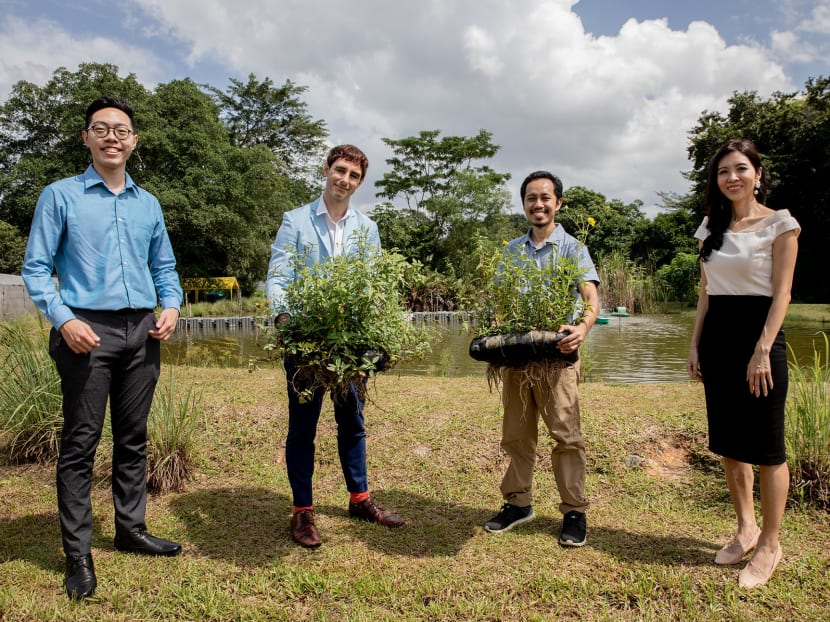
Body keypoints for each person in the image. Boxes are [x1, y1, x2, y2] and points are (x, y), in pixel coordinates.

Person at [21, 96, 183, 600]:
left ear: (134, 141)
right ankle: (78, 555)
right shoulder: (60, 196)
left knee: (133, 437)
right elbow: (35, 268)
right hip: (85, 331)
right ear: (86, 138)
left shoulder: (148, 203)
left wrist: (172, 305)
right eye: (101, 128)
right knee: (81, 443)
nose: (112, 136)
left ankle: (130, 529)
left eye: (121, 130)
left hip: (142, 333)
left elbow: (164, 268)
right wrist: (64, 320)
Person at [266, 144, 404, 549]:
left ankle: (360, 499)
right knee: (302, 428)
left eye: (354, 176)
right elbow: (278, 275)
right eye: (339, 171)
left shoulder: (367, 228)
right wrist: (284, 318)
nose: (344, 180)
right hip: (306, 341)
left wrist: (378, 327)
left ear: (360, 182)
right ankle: (303, 512)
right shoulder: (295, 221)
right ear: (326, 170)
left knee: (353, 422)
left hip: (351, 344)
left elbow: (374, 284)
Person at [686, 139, 799, 589]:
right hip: (717, 339)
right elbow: (706, 292)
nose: (731, 177)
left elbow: (783, 293)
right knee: (731, 444)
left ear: (757, 172)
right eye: (722, 172)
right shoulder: (710, 227)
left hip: (760, 339)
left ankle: (771, 544)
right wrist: (695, 345)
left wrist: (762, 349)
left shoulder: (780, 224)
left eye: (740, 169)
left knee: (768, 448)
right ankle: (746, 528)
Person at [483, 171, 600, 547]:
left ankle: (574, 511)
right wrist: (498, 336)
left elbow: (590, 299)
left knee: (565, 435)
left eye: (545, 198)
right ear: (524, 205)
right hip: (518, 358)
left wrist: (583, 327)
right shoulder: (511, 251)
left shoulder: (573, 248)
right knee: (516, 434)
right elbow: (500, 301)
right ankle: (518, 504)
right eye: (531, 198)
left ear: (558, 203)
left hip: (557, 356)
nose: (539, 204)